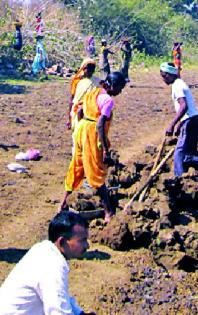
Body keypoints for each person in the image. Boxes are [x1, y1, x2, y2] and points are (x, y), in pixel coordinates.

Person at [60, 72, 127, 222]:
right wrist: (104, 149)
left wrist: (80, 128)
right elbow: (100, 124)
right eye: (120, 88)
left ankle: (63, 203)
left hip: (81, 131)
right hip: (92, 134)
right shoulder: (108, 100)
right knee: (96, 172)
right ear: (113, 86)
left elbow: (80, 111)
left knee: (76, 166)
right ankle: (108, 212)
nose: (120, 92)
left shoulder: (93, 93)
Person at [0, 211, 96, 315]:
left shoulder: (45, 250)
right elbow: (58, 312)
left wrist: (80, 314)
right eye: (82, 240)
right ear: (62, 242)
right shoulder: (52, 266)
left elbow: (62, 297)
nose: (87, 245)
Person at [68, 59, 100, 136]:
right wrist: (69, 117)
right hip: (77, 109)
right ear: (83, 68)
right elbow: (72, 98)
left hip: (91, 111)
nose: (90, 72)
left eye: (92, 70)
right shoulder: (76, 81)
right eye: (88, 69)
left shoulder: (97, 81)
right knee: (77, 134)